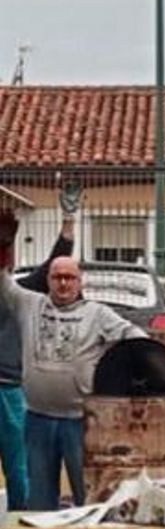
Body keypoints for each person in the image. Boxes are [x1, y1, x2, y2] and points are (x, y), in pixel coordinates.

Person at [0, 250, 145, 529]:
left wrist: (148, 361)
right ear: (47, 281)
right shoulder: (29, 305)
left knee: (89, 498)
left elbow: (133, 335)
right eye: (57, 277)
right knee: (40, 497)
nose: (63, 283)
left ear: (81, 282)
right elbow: (3, 283)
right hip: (37, 417)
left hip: (82, 421)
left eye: (70, 277)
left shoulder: (98, 315)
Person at [0, 208, 75, 513]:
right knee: (20, 467)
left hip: (9, 387)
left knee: (20, 468)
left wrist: (68, 227)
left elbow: (50, 271)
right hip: (11, 388)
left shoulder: (17, 291)